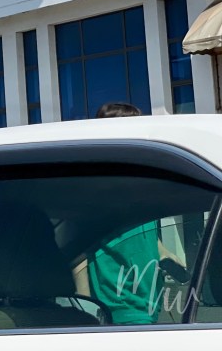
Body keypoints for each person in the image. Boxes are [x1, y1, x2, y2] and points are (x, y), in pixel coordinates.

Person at [79, 102, 183, 324]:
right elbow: (79, 253)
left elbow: (145, 234)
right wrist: (87, 312)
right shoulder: (98, 190)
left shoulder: (140, 185)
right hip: (119, 307)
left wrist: (165, 254)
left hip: (148, 303)